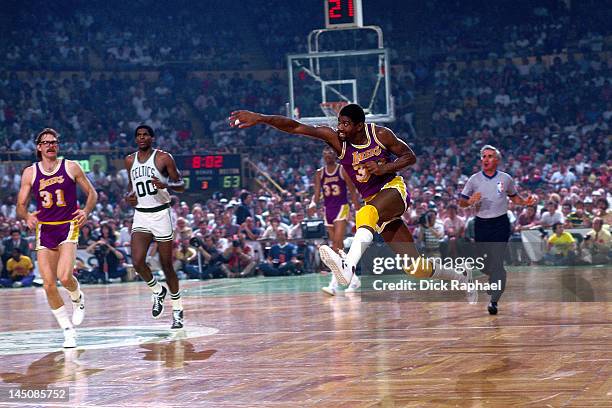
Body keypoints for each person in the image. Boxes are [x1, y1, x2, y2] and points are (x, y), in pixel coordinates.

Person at [230, 104, 475, 302]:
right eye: (339, 122)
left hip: (393, 192)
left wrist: (384, 167)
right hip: (375, 205)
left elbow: (409, 156)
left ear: (360, 125)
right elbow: (295, 126)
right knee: (415, 267)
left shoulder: (379, 135)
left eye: (346, 124)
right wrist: (260, 118)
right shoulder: (335, 139)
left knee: (366, 213)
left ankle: (348, 267)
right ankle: (461, 277)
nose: (341, 127)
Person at [16, 128, 98, 347]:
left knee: (64, 277)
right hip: (45, 228)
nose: (51, 145)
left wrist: (86, 211)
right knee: (48, 284)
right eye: (46, 142)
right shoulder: (30, 172)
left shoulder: (70, 166)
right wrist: (27, 216)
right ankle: (68, 331)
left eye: (54, 142)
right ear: (39, 147)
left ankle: (78, 297)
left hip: (68, 225)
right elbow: (20, 206)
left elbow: (92, 193)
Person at [459, 145, 536, 315]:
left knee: (497, 261)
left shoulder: (506, 178)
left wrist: (525, 202)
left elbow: (514, 197)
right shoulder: (474, 180)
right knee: (484, 262)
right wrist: (471, 200)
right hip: (481, 224)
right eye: (484, 156)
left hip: (500, 223)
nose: (486, 159)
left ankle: (494, 300)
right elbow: (461, 202)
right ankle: (492, 277)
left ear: (497, 160)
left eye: (490, 156)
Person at [124, 125, 185, 329]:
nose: (142, 138)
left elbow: (182, 185)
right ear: (136, 139)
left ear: (152, 138)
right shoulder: (129, 160)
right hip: (141, 214)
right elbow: (131, 187)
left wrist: (166, 185)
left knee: (167, 266)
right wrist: (129, 198)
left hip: (161, 213)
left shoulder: (164, 158)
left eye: (145, 135)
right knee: (138, 262)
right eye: (138, 135)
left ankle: (177, 311)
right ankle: (157, 290)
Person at [310, 146, 361, 296]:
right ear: (322, 156)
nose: (328, 155)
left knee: (336, 246)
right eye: (325, 153)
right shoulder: (319, 173)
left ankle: (333, 285)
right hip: (328, 210)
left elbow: (352, 191)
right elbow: (317, 194)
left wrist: (357, 210)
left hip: (341, 208)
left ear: (335, 155)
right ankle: (353, 280)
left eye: (330, 153)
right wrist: (313, 203)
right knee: (338, 249)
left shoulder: (342, 170)